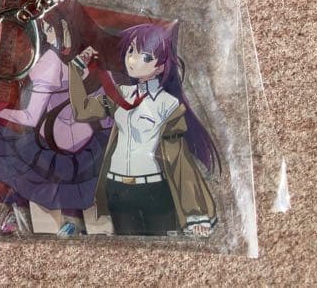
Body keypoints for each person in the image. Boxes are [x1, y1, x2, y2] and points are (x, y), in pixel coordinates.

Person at [0, 1, 111, 237]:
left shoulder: (51, 61)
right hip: (83, 146)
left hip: (64, 149)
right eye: (44, 29)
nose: (45, 34)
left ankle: (52, 228)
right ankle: (72, 228)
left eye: (48, 28)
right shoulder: (71, 59)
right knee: (73, 198)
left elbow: (30, 117)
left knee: (41, 186)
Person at [69, 22, 219, 236]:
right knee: (127, 249)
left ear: (160, 67)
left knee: (163, 249)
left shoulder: (168, 104)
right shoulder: (121, 94)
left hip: (155, 189)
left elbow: (179, 160)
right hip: (117, 189)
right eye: (131, 51)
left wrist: (196, 213)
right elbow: (82, 111)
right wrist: (75, 70)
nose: (132, 59)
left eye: (145, 57)